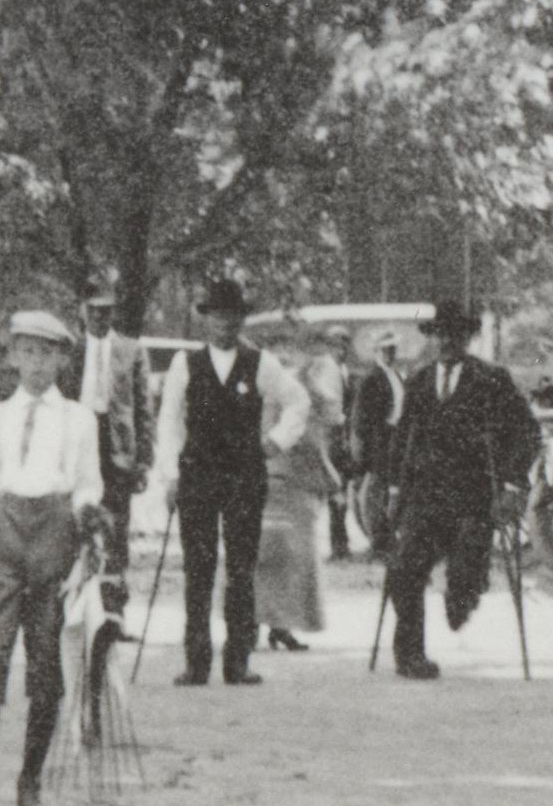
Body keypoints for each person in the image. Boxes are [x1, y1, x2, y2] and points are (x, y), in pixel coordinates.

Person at [0, 309, 115, 806]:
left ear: (64, 359)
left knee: (46, 663)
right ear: (12, 357)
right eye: (27, 352)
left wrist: (89, 515)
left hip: (54, 539)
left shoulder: (79, 420)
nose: (37, 364)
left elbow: (88, 482)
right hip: (2, 537)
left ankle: (30, 784)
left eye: (47, 353)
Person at [377, 301, 538, 679]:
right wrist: (395, 489)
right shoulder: (418, 381)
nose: (448, 341)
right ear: (432, 338)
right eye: (441, 334)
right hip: (426, 498)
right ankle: (410, 656)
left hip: (474, 498)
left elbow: (527, 432)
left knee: (466, 569)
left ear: (468, 338)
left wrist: (513, 484)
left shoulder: (492, 379)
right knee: (403, 572)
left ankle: (462, 597)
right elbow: (402, 439)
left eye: (456, 334)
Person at [160, 274, 275, 687]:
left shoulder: (261, 362)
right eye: (218, 317)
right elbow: (169, 423)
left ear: (241, 320)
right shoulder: (184, 364)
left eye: (233, 317)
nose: (225, 325)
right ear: (207, 320)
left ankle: (238, 660)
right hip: (198, 478)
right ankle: (196, 661)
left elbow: (297, 402)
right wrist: (170, 477)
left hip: (245, 478)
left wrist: (274, 442)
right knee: (198, 568)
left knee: (241, 569)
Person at [256, 336, 333, 653]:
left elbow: (321, 429)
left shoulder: (305, 391)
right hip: (278, 477)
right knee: (271, 554)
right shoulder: (280, 392)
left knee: (290, 557)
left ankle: (280, 623)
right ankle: (260, 621)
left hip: (295, 481)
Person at [339, 331, 404, 561]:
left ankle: (389, 540)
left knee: (393, 493)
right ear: (376, 352)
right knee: (374, 494)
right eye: (385, 350)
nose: (389, 354)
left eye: (392, 350)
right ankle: (378, 542)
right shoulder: (371, 380)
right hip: (378, 442)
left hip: (397, 440)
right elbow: (359, 420)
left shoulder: (397, 375)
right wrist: (361, 451)